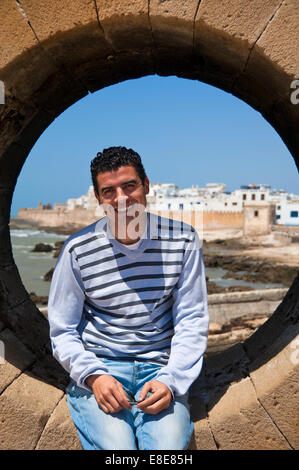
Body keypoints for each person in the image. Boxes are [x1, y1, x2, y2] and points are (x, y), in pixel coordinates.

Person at [48, 146, 209, 450]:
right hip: (102, 366)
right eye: (109, 191)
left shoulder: (183, 241)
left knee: (168, 449)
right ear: (98, 198)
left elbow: (192, 319)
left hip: (160, 368)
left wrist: (171, 380)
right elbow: (62, 329)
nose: (121, 199)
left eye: (129, 186)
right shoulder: (77, 250)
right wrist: (94, 377)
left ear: (147, 185)